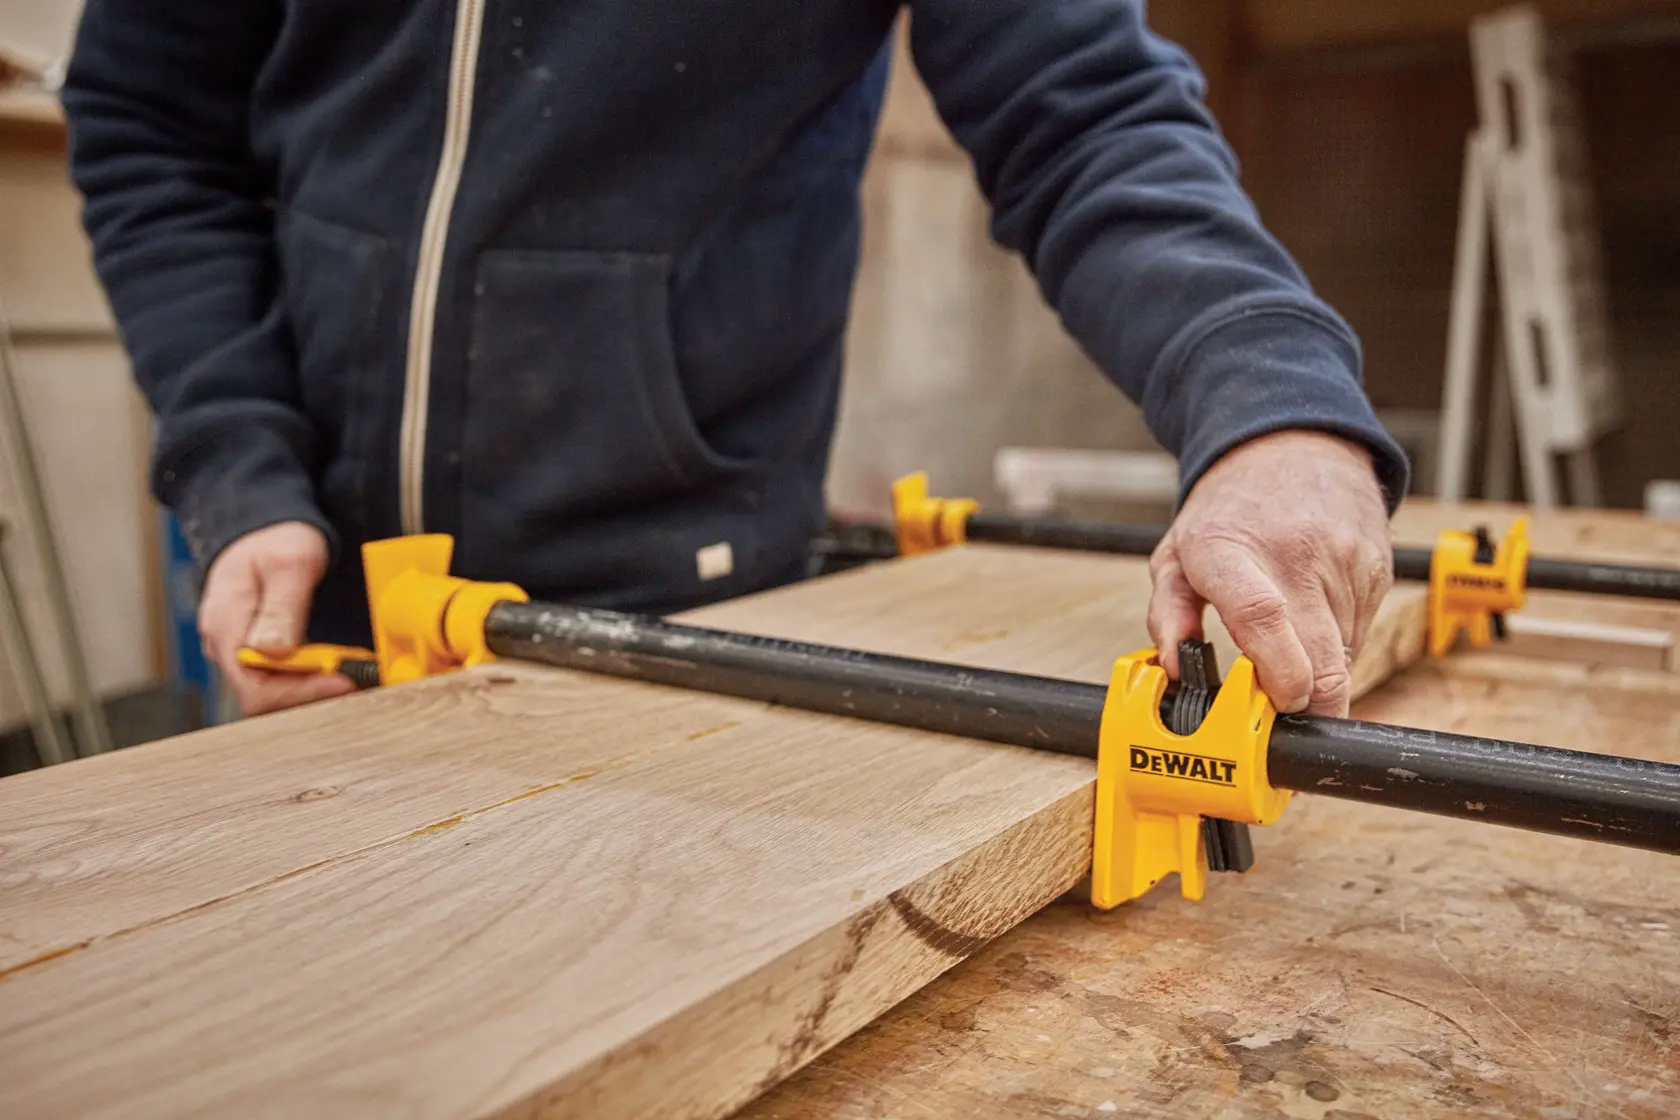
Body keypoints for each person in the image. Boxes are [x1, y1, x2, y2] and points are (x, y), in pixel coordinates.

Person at [59, 1, 1408, 720]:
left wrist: (1269, 402)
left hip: (692, 645)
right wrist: (240, 466)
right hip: (322, 631)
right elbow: (148, 126)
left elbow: (1089, 116)